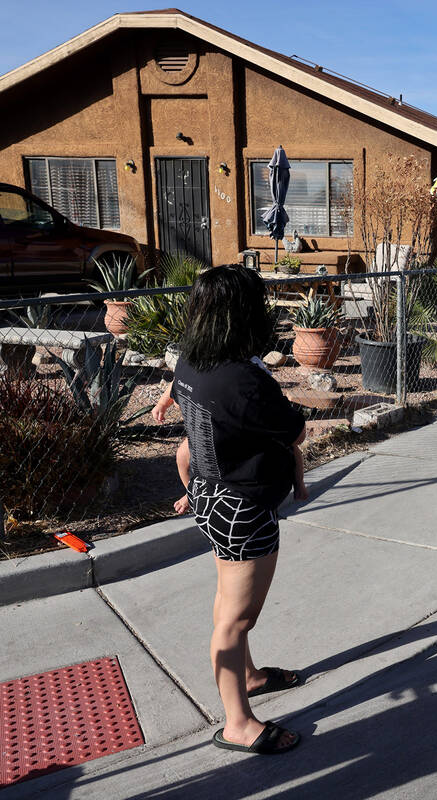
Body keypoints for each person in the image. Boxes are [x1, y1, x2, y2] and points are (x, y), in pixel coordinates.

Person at [169, 265, 308, 755]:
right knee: (235, 620)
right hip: (243, 508)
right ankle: (237, 724)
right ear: (243, 314)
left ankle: (247, 676)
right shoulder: (244, 381)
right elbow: (294, 429)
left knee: (227, 603)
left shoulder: (190, 362)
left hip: (210, 497)